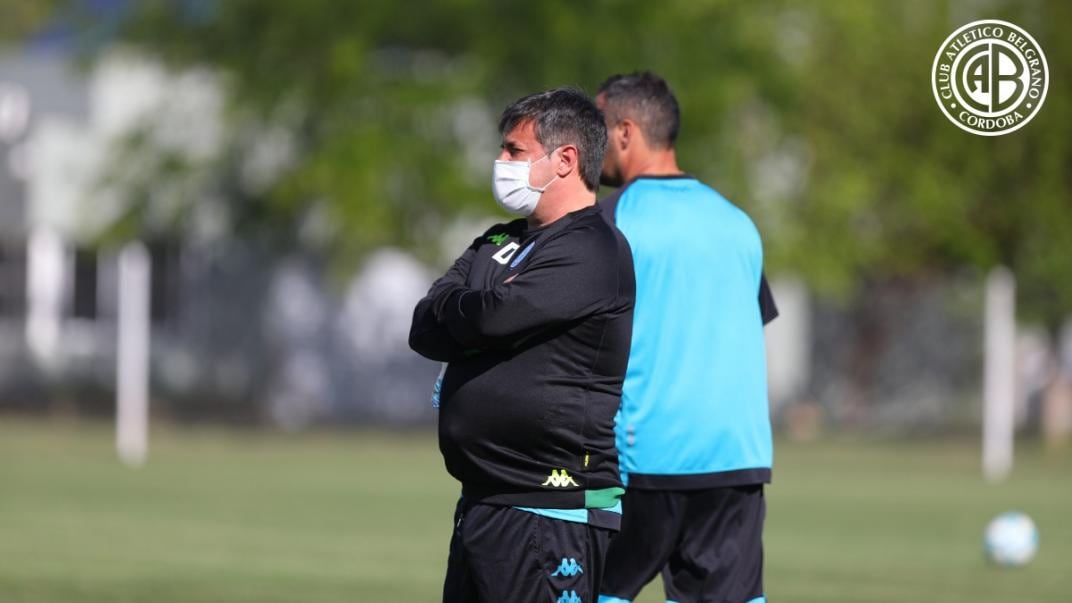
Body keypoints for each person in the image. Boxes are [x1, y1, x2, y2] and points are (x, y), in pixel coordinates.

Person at [409, 87, 636, 603]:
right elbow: (424, 324)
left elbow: (494, 317)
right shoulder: (497, 240)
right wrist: (481, 306)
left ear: (566, 160)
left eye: (514, 151)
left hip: (549, 511)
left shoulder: (593, 248)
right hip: (484, 501)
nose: (500, 162)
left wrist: (478, 306)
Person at [594, 72, 778, 603]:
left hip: (645, 459)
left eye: (596, 129)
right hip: (736, 461)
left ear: (625, 131)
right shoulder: (738, 223)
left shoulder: (610, 223)